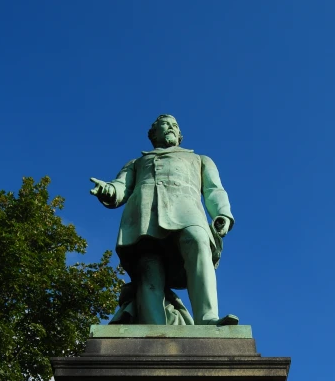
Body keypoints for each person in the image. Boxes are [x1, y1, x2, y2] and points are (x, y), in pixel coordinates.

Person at [90, 114, 238, 326]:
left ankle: (207, 318)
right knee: (149, 268)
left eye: (174, 126)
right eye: (165, 125)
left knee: (197, 241)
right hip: (144, 218)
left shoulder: (200, 159)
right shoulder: (137, 163)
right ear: (153, 134)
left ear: (180, 134)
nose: (171, 128)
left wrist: (222, 213)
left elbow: (214, 190)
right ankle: (153, 329)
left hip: (188, 212)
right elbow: (121, 186)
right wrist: (108, 190)